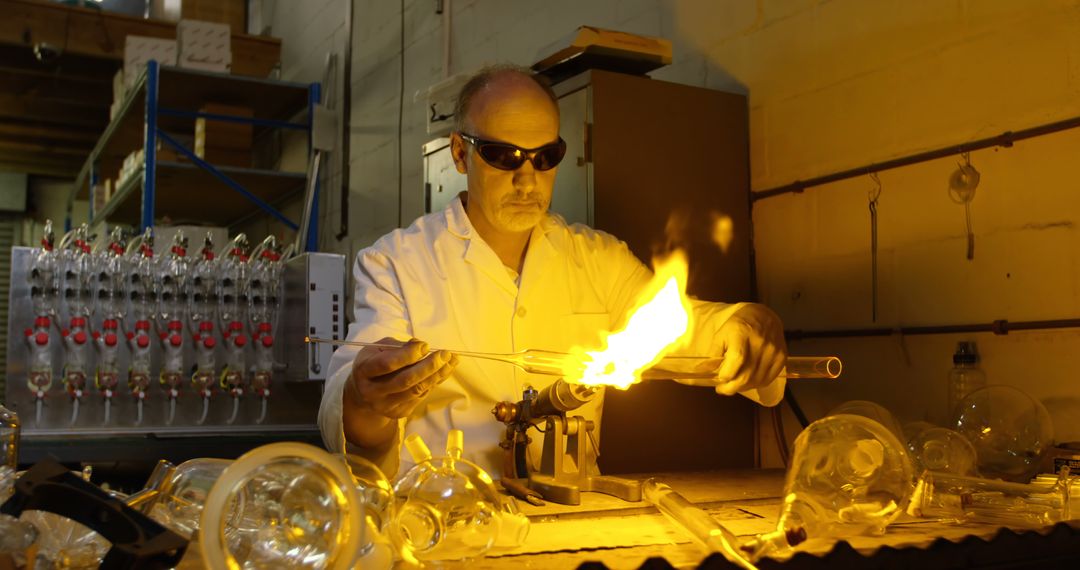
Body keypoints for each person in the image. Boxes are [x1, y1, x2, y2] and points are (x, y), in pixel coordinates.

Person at [319, 64, 787, 479]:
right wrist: (367, 401)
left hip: (568, 522)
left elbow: (682, 330)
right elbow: (346, 415)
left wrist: (740, 324)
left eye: (545, 157)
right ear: (460, 154)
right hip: (441, 523)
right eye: (503, 156)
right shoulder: (397, 263)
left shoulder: (596, 259)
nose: (527, 180)